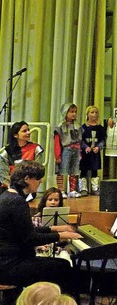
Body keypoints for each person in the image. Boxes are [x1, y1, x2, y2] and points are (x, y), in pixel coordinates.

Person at [0, 161, 81, 293]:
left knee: (60, 265)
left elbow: (25, 230)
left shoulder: (8, 196)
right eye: (38, 178)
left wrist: (54, 228)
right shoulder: (17, 202)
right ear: (27, 179)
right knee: (63, 267)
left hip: (8, 261)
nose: (41, 181)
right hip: (9, 266)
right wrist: (62, 235)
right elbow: (30, 238)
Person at [0, 121, 44, 191]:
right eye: (24, 131)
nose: (28, 133)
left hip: (28, 189)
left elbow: (38, 171)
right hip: (9, 187)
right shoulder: (6, 152)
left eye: (28, 130)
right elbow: (3, 174)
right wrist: (11, 187)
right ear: (15, 135)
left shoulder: (36, 149)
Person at [54, 103, 83, 198]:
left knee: (74, 170)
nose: (74, 114)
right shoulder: (60, 127)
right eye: (71, 112)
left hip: (76, 148)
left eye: (75, 112)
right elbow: (57, 141)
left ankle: (72, 190)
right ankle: (61, 190)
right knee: (62, 170)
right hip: (66, 149)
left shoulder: (77, 126)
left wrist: (80, 152)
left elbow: (80, 139)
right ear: (65, 113)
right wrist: (57, 155)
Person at [79, 106, 107, 196]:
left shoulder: (100, 128)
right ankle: (83, 188)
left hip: (95, 152)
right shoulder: (83, 127)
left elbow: (103, 139)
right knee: (83, 169)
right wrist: (85, 147)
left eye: (95, 112)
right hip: (85, 152)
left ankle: (95, 188)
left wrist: (99, 147)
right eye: (92, 112)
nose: (94, 114)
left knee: (94, 169)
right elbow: (80, 139)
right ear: (87, 114)